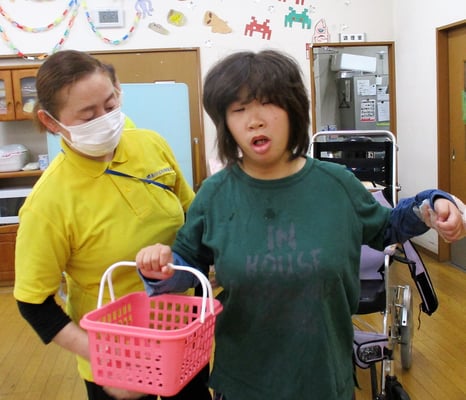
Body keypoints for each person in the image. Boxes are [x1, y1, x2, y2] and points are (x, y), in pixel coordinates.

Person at [134, 50, 466, 400]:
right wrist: (161, 269)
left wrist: (429, 205)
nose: (254, 121)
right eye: (238, 109)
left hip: (323, 375)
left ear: (293, 110)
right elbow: (188, 264)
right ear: (225, 123)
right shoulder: (215, 194)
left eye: (268, 104)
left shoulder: (336, 184)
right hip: (244, 379)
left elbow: (387, 228)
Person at [13, 50, 211, 400]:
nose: (105, 120)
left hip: (182, 336)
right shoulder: (48, 203)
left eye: (110, 104)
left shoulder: (151, 144)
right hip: (118, 357)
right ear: (51, 122)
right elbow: (33, 303)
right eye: (88, 115)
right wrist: (103, 356)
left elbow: (194, 219)